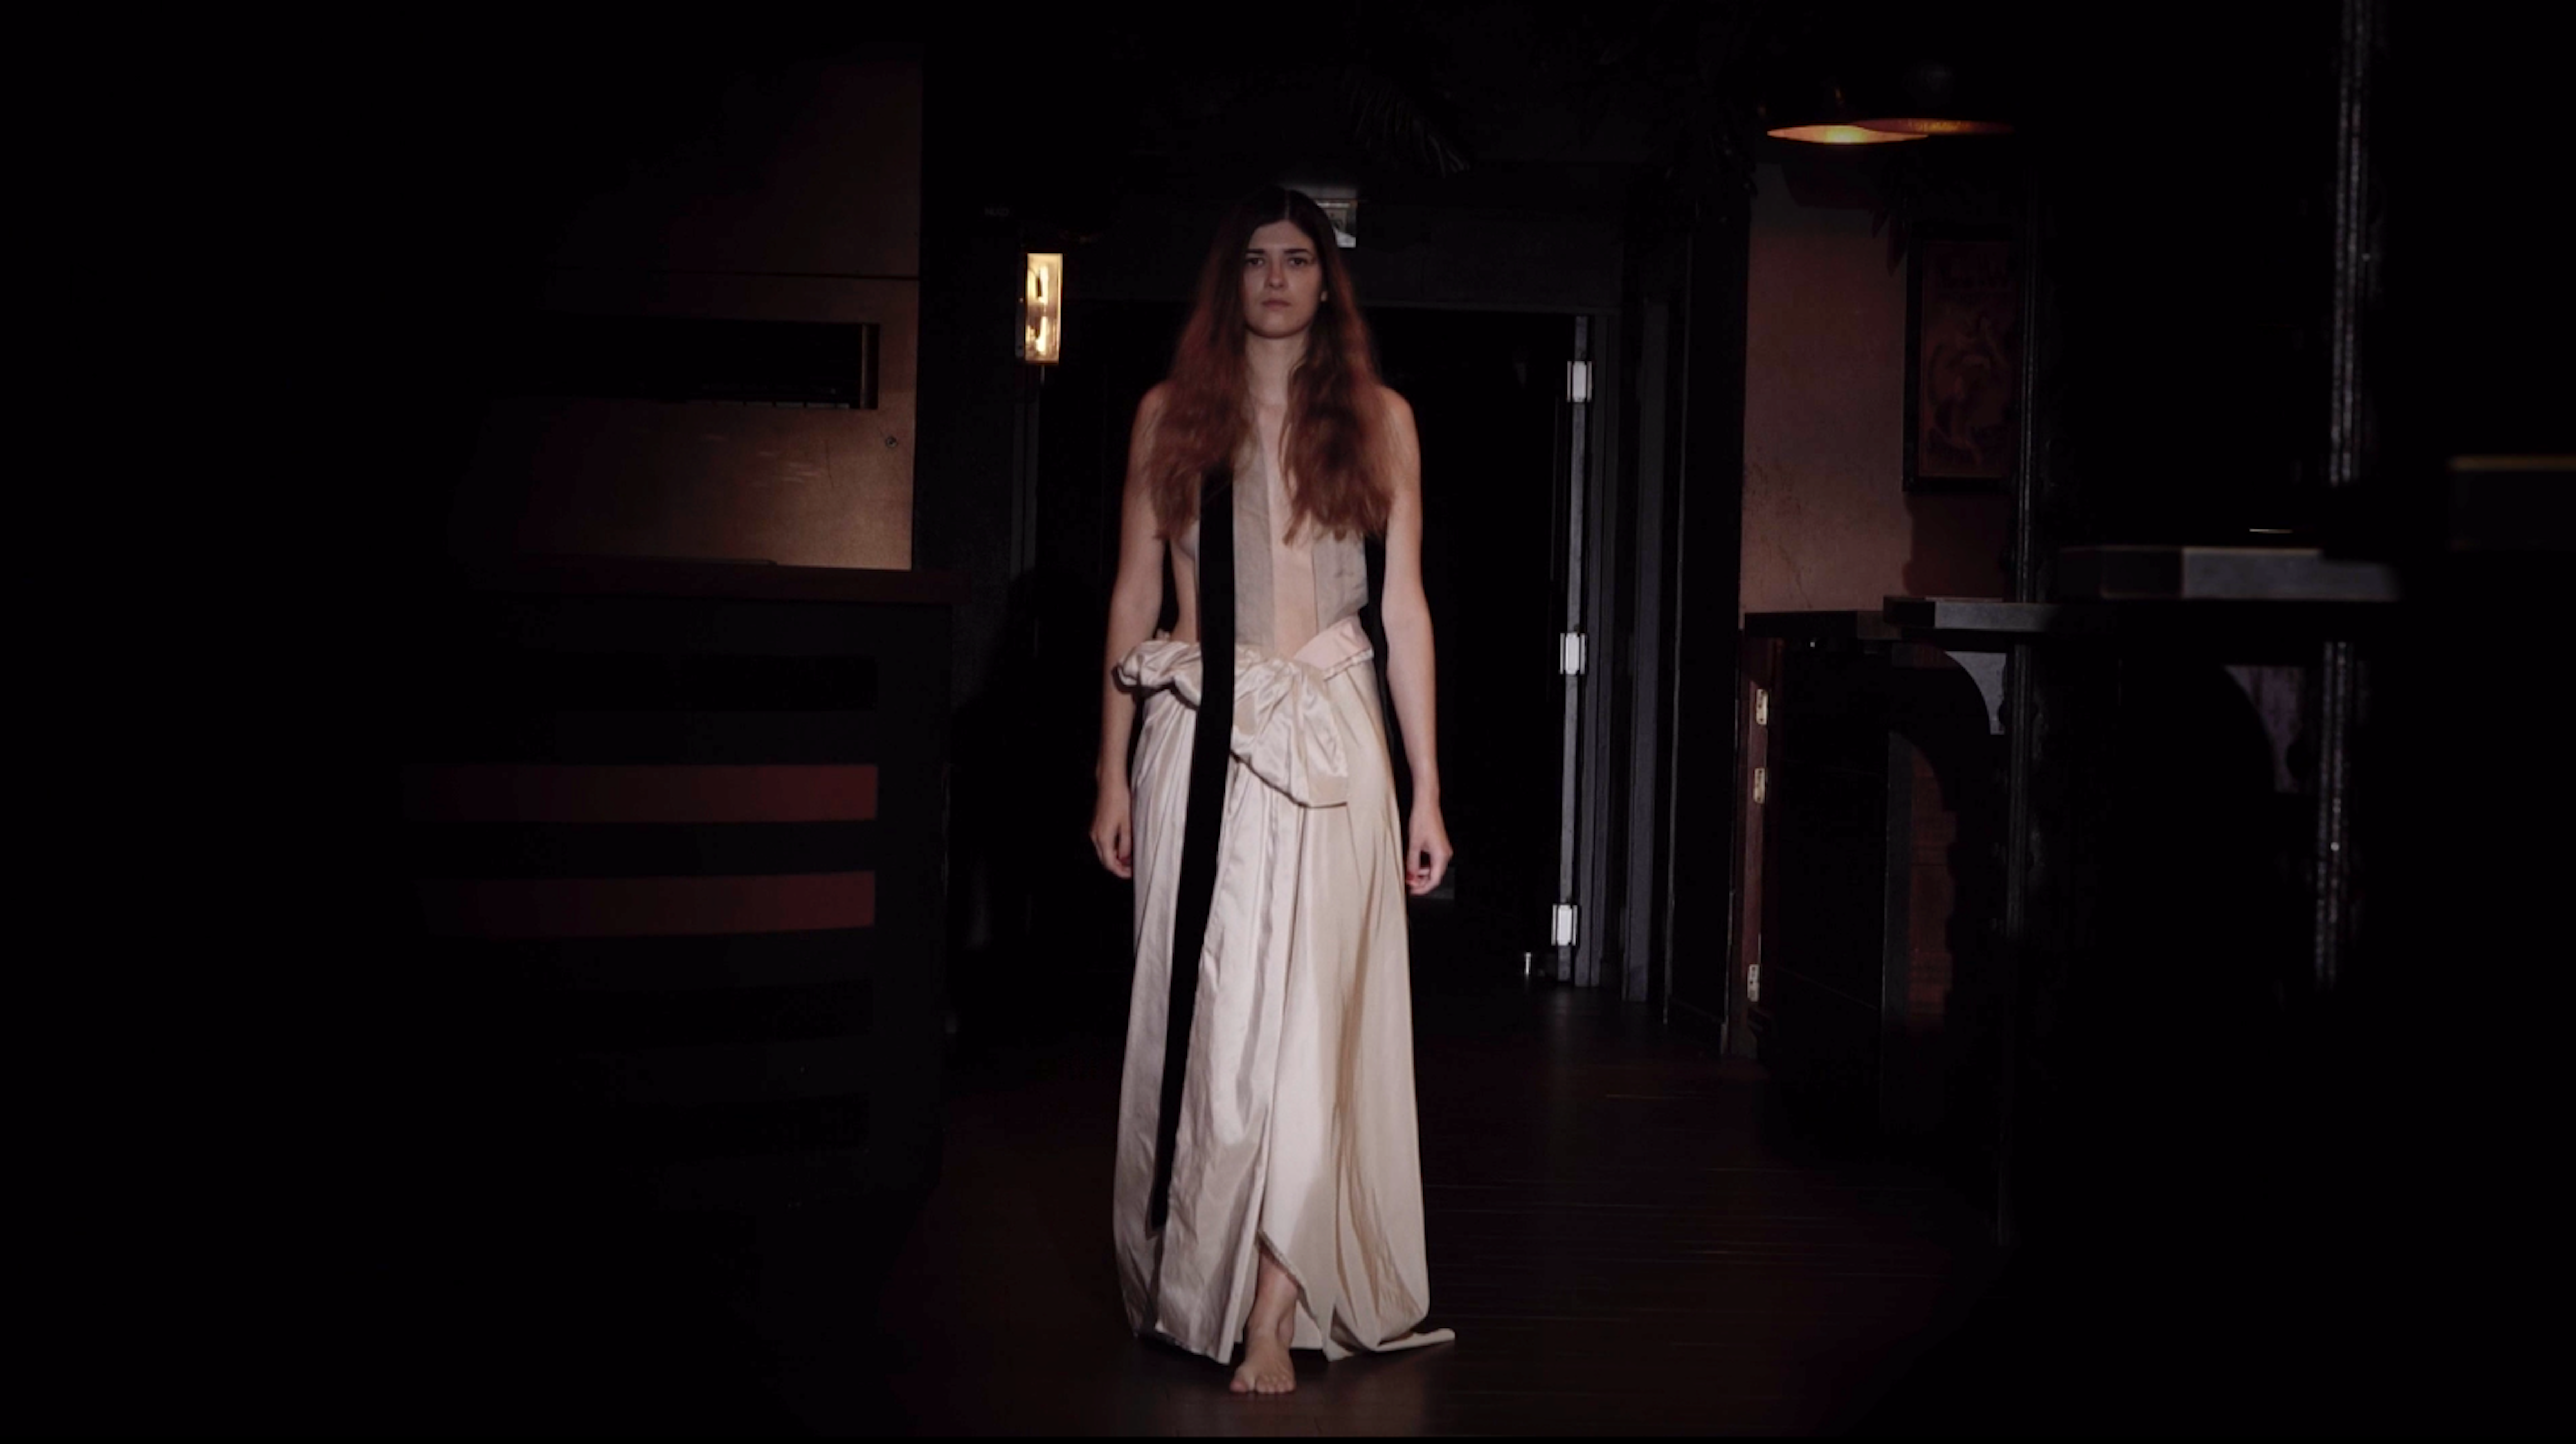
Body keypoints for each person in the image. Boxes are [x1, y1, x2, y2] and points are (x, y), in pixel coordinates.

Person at [1089, 187, 1455, 1396]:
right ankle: (1198, 1274)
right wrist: (1109, 770)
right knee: (1212, 1026)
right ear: (1230, 280)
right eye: (1256, 259)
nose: (1279, 279)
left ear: (1327, 280)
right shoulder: (1170, 416)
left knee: (1315, 1026)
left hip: (1336, 738)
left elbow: (1404, 611)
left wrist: (1427, 790)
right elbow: (1135, 595)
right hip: (1205, 733)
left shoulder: (1382, 421)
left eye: (1298, 258)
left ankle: (1272, 1306)